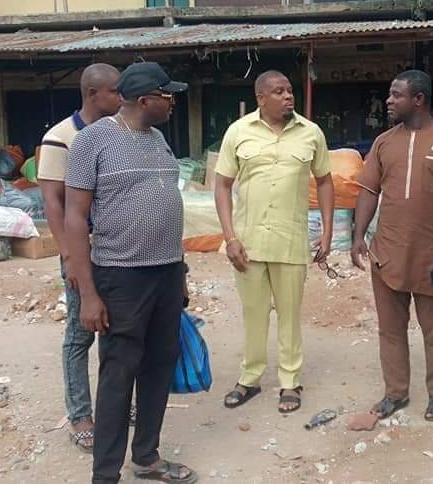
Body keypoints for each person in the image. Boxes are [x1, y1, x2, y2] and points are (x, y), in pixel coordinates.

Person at [64, 62, 197, 484]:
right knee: (118, 374)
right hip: (121, 276)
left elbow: (164, 207)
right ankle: (105, 474)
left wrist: (182, 275)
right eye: (167, 94)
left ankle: (147, 457)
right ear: (145, 100)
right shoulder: (92, 142)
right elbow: (74, 218)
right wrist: (87, 293)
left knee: (159, 366)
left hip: (166, 274)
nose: (173, 100)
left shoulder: (159, 139)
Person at [351, 70, 433, 422]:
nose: (388, 101)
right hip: (387, 252)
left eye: (395, 95)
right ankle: (396, 393)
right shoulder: (383, 142)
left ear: (418, 99)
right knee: (390, 329)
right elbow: (368, 191)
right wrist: (359, 237)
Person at [214, 70, 334, 414]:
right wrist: (229, 237)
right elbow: (222, 185)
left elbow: (325, 181)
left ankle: (290, 382)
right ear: (260, 99)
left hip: (290, 240)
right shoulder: (238, 133)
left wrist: (326, 231)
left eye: (289, 90)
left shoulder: (311, 133)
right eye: (278, 92)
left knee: (290, 314)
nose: (287, 96)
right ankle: (249, 379)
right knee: (253, 313)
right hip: (247, 242)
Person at [38, 63, 121, 454]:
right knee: (80, 332)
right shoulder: (61, 137)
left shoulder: (119, 131)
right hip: (82, 249)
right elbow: (53, 204)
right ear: (93, 94)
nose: (122, 99)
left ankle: (113, 403)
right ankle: (80, 414)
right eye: (115, 92)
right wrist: (70, 256)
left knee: (115, 327)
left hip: (118, 248)